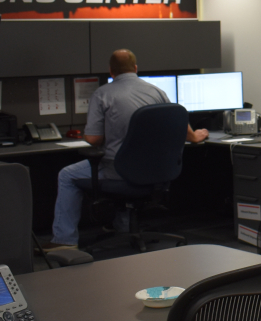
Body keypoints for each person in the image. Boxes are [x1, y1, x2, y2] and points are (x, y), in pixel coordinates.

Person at [48, 49, 207, 247]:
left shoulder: (102, 94)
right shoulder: (157, 92)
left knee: (66, 175)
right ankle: (123, 227)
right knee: (124, 161)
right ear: (136, 68)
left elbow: (94, 139)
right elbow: (183, 127)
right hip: (159, 171)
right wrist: (197, 135)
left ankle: (64, 241)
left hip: (120, 171)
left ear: (110, 71)